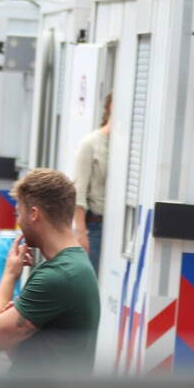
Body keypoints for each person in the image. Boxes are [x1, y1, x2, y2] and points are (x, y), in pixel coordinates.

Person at [0, 168, 100, 374]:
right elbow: (16, 349)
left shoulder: (58, 275)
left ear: (34, 214)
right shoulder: (73, 265)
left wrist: (10, 274)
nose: (19, 221)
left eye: (19, 213)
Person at [72, 92, 111, 275]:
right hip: (95, 228)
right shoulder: (91, 144)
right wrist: (81, 234)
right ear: (111, 107)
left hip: (116, 230)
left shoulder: (126, 146)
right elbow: (78, 193)